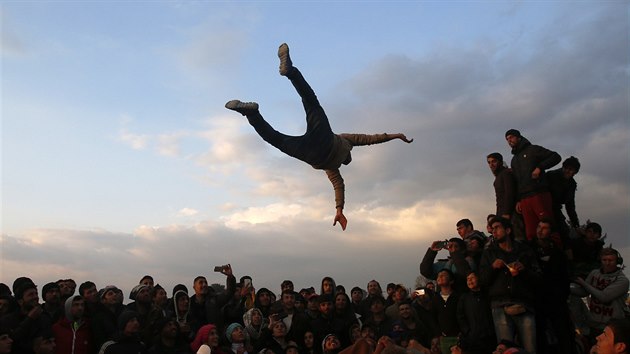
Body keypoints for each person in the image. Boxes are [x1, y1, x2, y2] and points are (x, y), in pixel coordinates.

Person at [225, 43, 413, 231]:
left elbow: (370, 139)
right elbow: (342, 183)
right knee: (275, 139)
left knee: (310, 103)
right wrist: (339, 209)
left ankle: (287, 75)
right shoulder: (334, 167)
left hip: (321, 142)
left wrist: (395, 135)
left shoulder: (344, 146)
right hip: (311, 154)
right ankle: (252, 114)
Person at [479, 216, 542, 354]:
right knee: (504, 350)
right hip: (500, 305)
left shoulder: (525, 251)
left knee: (530, 348)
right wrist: (493, 267)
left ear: (508, 230)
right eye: (492, 229)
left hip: (523, 303)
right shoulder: (489, 253)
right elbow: (482, 280)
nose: (494, 231)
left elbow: (538, 277)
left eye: (497, 228)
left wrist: (524, 270)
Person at [504, 129, 561, 241]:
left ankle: (556, 252)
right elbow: (517, 182)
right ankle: (535, 256)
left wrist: (539, 167)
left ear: (518, 137)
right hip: (524, 199)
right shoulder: (514, 160)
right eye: (507, 139)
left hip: (539, 193)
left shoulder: (533, 150)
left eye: (511, 137)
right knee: (530, 231)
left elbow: (555, 157)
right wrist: (518, 200)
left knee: (547, 227)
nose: (509, 140)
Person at [530, 219, 575, 353]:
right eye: (539, 226)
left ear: (550, 231)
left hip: (556, 300)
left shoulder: (557, 252)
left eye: (544, 228)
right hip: (536, 299)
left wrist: (562, 295)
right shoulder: (528, 249)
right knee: (539, 336)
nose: (540, 230)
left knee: (563, 334)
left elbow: (564, 276)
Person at [571, 248, 629, 339]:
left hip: (613, 326)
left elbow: (604, 297)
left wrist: (583, 283)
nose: (607, 263)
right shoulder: (595, 273)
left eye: (611, 260)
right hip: (594, 325)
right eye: (604, 260)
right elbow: (584, 292)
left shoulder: (622, 280)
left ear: (617, 261)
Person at [456, 271, 495, 354]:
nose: (470, 281)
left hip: (489, 337)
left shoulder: (487, 295)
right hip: (473, 338)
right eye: (468, 279)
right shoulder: (464, 297)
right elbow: (460, 316)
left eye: (472, 278)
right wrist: (467, 331)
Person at [547, 156, 581, 241]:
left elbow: (570, 205)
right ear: (563, 167)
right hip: (544, 206)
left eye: (572, 170)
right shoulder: (551, 175)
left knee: (564, 233)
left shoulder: (572, 184)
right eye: (567, 169)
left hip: (556, 209)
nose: (568, 172)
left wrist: (576, 224)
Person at [487, 153, 517, 221]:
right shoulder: (498, 177)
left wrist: (507, 212)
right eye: (489, 162)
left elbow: (510, 193)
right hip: (502, 213)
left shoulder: (506, 173)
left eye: (494, 161)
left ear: (500, 162)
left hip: (511, 214)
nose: (491, 165)